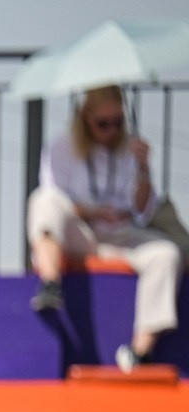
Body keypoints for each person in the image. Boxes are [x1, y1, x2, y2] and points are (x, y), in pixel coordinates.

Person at [28, 85, 180, 373]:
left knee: (165, 254)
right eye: (103, 123)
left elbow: (143, 210)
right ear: (85, 119)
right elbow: (57, 200)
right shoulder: (62, 147)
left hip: (121, 235)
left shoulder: (131, 149)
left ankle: (140, 352)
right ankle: (50, 282)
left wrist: (144, 168)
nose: (111, 129)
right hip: (79, 231)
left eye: (118, 121)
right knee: (42, 201)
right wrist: (94, 211)